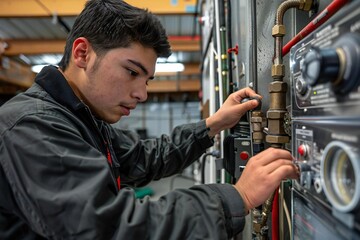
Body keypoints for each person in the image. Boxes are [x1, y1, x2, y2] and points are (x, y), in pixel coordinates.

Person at [0, 0, 298, 239]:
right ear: (82, 53)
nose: (143, 94)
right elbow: (111, 228)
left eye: (148, 79)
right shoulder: (31, 126)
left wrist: (214, 124)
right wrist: (238, 196)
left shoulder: (82, 118)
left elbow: (143, 158)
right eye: (132, 72)